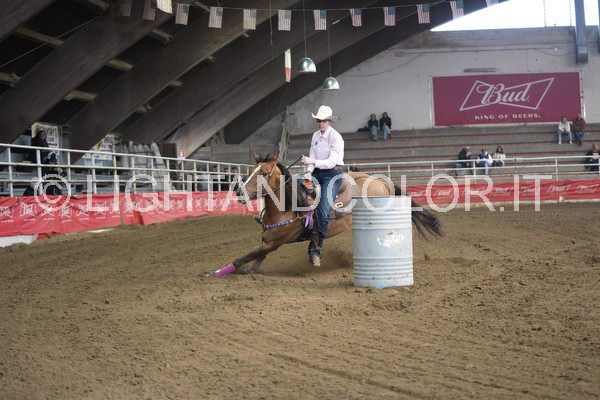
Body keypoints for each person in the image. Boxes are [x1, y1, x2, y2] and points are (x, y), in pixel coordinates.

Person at [301, 105, 344, 267]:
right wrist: (308, 171)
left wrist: (312, 161)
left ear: (329, 121)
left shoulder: (336, 137)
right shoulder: (315, 136)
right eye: (318, 121)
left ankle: (317, 249)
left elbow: (332, 162)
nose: (320, 123)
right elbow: (311, 158)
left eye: (323, 121)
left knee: (323, 210)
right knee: (295, 189)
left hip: (332, 174)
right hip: (317, 172)